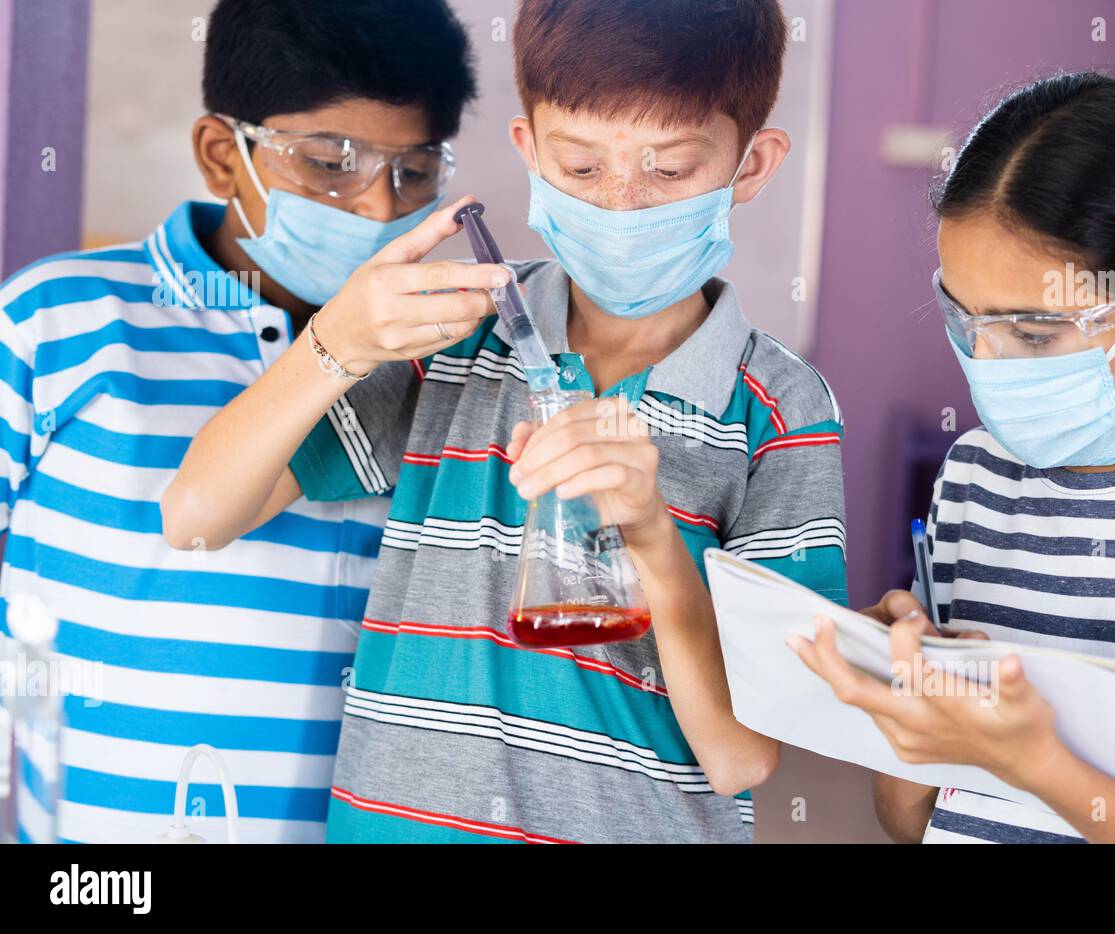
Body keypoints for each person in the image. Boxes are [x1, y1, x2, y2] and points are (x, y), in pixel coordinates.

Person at [164, 0, 847, 843]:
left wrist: (657, 546)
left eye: (669, 171)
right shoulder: (458, 333)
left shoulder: (781, 408)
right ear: (529, 151)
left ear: (751, 165)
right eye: (582, 167)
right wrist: (333, 342)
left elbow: (744, 760)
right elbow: (195, 515)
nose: (624, 205)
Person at [0, 0, 475, 842]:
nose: (377, 208)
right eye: (331, 162)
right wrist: (332, 346)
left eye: (414, 170)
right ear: (224, 156)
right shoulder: (52, 321)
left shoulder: (446, 366)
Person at [792, 72, 1115, 844]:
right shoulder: (976, 480)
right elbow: (909, 822)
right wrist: (901, 697)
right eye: (969, 323)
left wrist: (1035, 763)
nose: (989, 363)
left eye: (1031, 335)